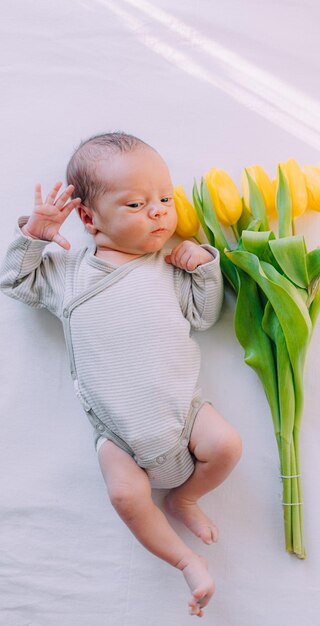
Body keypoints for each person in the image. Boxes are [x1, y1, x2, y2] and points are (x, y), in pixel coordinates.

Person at [0, 132, 242, 618]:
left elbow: (203, 316)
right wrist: (34, 236)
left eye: (165, 199)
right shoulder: (69, 272)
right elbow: (15, 281)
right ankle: (185, 559)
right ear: (89, 218)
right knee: (125, 496)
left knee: (228, 446)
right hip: (117, 434)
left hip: (183, 413)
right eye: (136, 203)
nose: (158, 212)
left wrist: (204, 269)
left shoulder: (168, 268)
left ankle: (185, 499)